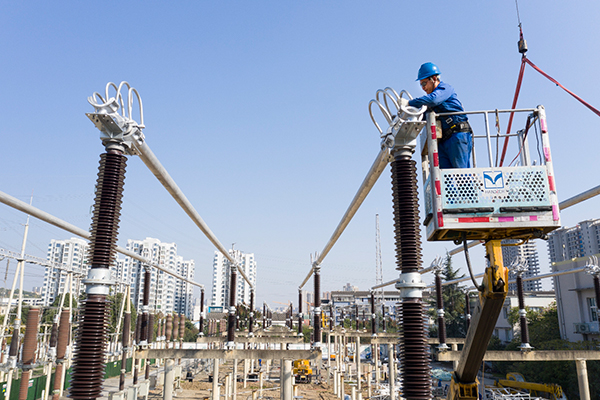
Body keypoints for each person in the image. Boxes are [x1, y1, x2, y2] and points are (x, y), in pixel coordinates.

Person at [405, 62, 473, 169]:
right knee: (445, 180)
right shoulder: (430, 103)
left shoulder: (445, 89)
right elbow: (419, 117)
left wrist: (409, 103)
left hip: (457, 136)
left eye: (424, 84)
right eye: (421, 85)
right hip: (444, 141)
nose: (423, 88)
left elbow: (434, 100)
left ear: (434, 79)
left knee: (462, 177)